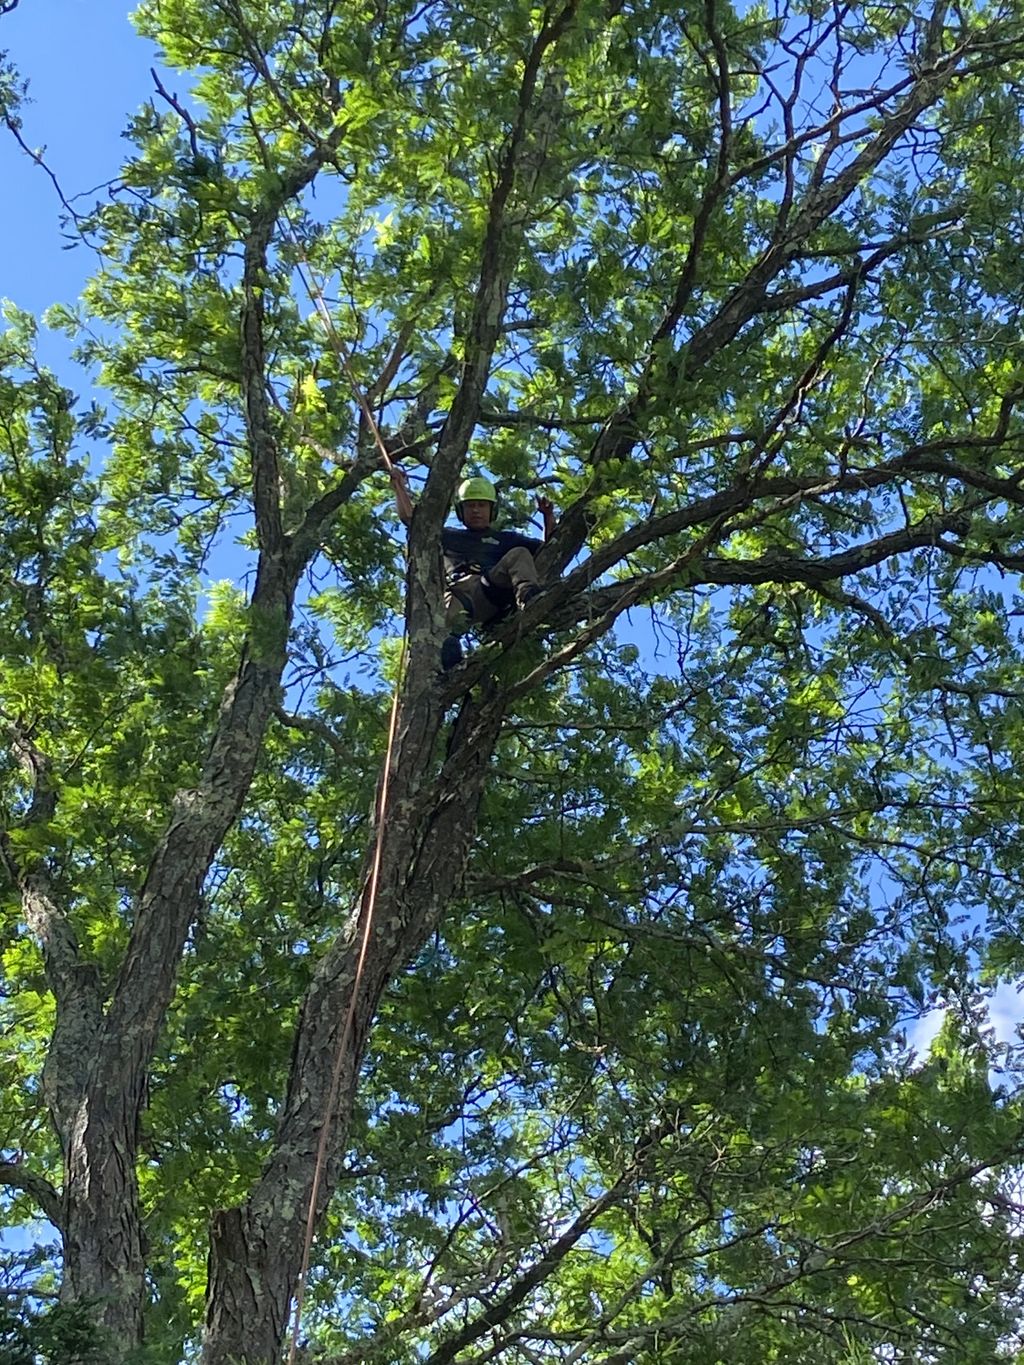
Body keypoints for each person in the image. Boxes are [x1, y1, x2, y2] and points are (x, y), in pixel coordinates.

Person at [389, 468, 556, 669]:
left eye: (481, 505)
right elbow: (413, 521)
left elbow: (551, 550)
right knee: (442, 633)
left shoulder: (506, 539)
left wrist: (548, 517)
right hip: (461, 594)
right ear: (461, 511)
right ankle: (451, 669)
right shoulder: (448, 536)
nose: (476, 510)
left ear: (491, 510)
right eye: (470, 506)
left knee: (520, 553)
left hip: (492, 588)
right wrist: (398, 485)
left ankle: (529, 598)